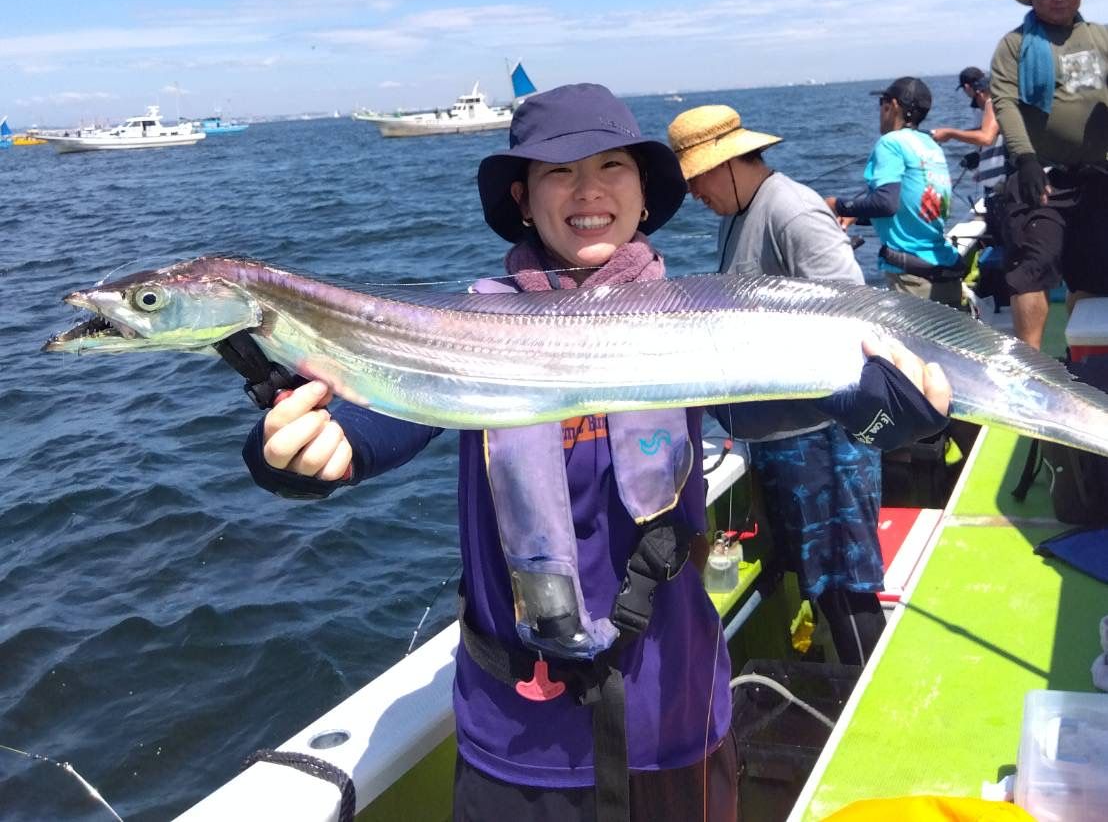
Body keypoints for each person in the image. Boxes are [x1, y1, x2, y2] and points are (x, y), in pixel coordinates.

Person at [243, 84, 950, 822]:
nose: (588, 190)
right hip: (518, 736)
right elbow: (372, 424)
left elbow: (804, 407)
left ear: (644, 194)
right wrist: (299, 456)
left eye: (613, 166)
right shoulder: (469, 330)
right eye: (559, 171)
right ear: (523, 199)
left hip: (674, 716)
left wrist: (888, 415)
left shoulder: (699, 324)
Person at [668, 103, 886, 668]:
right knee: (815, 579)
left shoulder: (791, 211)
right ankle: (841, 679)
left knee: (844, 584)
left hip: (824, 440)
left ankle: (872, 695)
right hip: (780, 440)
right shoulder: (737, 214)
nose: (692, 193)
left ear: (728, 163)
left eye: (696, 178)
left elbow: (853, 320)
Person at [989, 0, 1108, 350]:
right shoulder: (1015, 45)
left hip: (1096, 177)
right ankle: (1031, 367)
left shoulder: (1101, 38)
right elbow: (1005, 102)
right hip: (1041, 176)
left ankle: (1083, 360)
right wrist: (1025, 158)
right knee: (1033, 268)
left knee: (1095, 275)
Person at [828, 77, 963, 307]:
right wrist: (856, 215)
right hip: (944, 270)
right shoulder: (931, 145)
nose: (880, 110)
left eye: (882, 103)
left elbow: (885, 203)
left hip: (912, 278)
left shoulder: (890, 142)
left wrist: (836, 205)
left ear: (893, 105)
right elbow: (908, 206)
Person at [931, 68, 1007, 197]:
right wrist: (979, 159)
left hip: (1002, 188)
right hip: (994, 184)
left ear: (967, 87)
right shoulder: (1000, 103)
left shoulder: (993, 102)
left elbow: (986, 137)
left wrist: (950, 133)